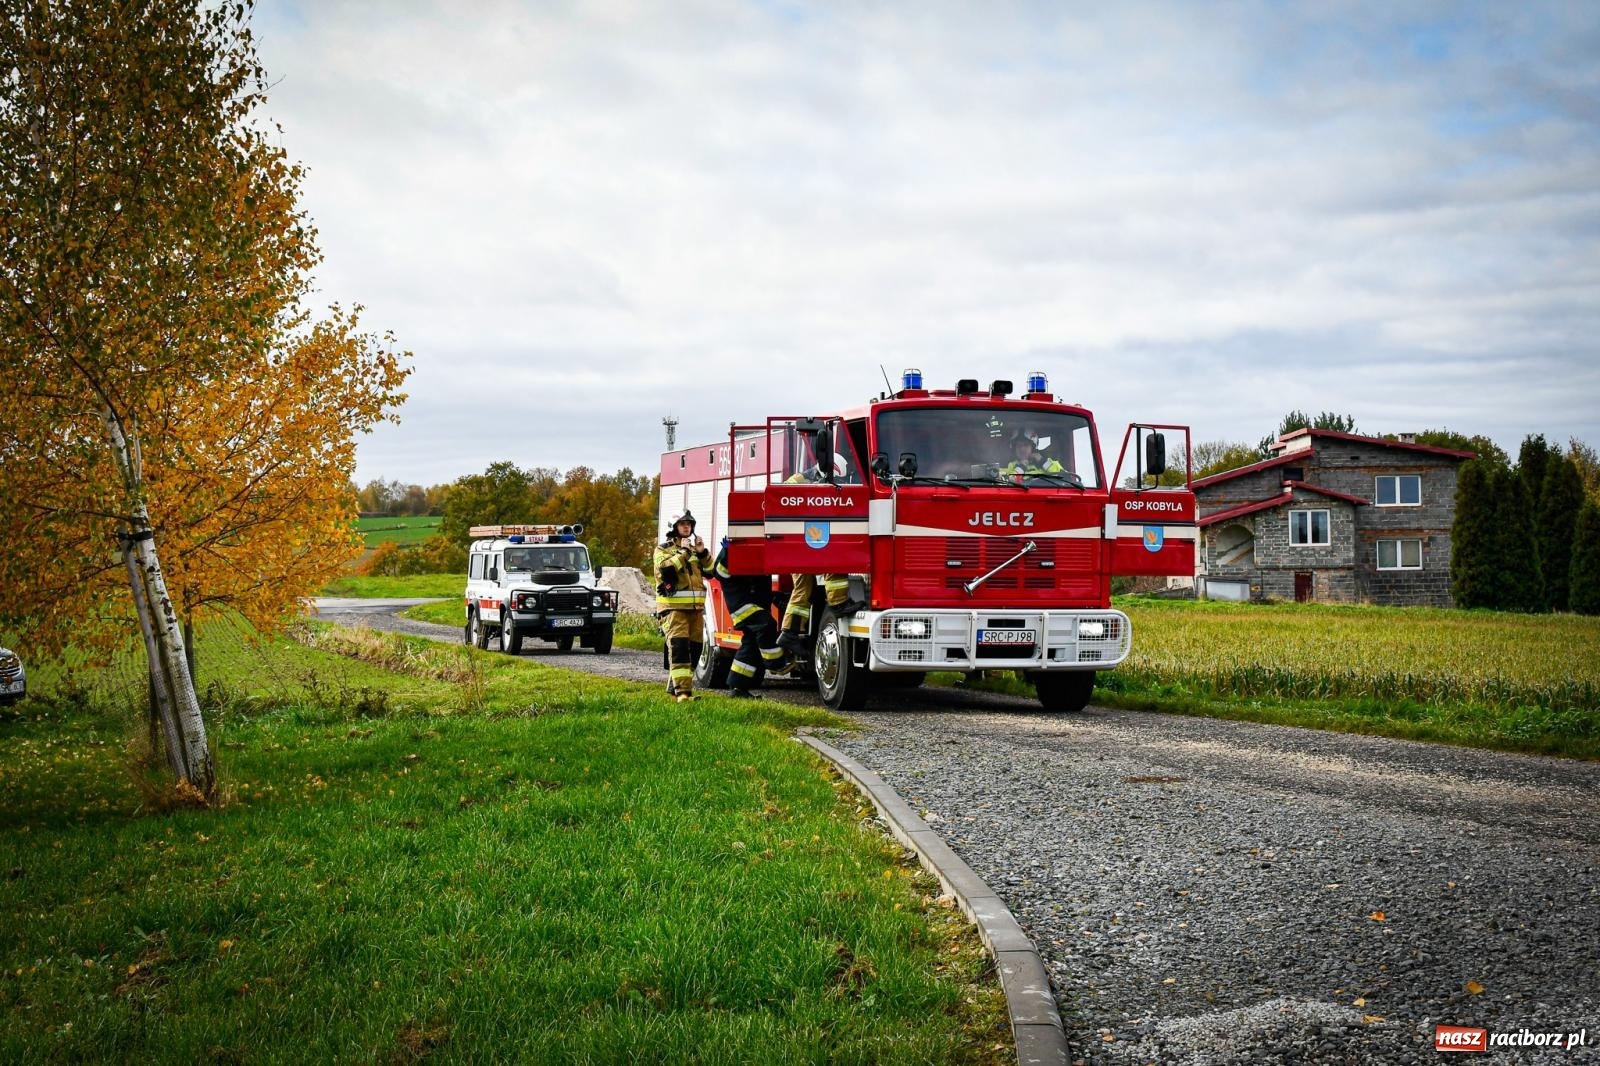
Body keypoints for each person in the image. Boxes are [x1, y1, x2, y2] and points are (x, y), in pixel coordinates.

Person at [776, 453, 865, 655]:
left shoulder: (820, 481)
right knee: (828, 566)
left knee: (805, 585)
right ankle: (838, 604)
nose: (838, 484)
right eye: (837, 479)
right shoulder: (801, 480)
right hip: (800, 539)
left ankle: (789, 634)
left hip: (806, 539)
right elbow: (782, 495)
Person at [711, 539, 789, 698]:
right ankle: (775, 663)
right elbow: (719, 573)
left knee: (751, 643)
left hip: (755, 603)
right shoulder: (732, 550)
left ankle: (738, 687)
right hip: (742, 605)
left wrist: (775, 597)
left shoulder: (757, 549)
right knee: (766, 625)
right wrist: (728, 552)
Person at [653, 510, 715, 702]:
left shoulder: (696, 551)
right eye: (682, 524)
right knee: (679, 649)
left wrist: (702, 552)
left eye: (689, 524)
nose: (687, 526)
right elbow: (665, 570)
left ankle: (676, 686)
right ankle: (683, 694)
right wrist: (684, 553)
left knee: (695, 651)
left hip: (695, 610)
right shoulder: (663, 550)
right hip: (673, 609)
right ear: (674, 528)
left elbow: (712, 572)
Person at [1001, 430, 1065, 476]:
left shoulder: (1049, 463)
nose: (1022, 449)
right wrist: (1021, 467)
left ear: (1033, 448)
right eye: (1019, 446)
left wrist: (1042, 461)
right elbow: (1005, 481)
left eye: (1026, 445)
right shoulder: (1009, 466)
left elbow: (1064, 476)